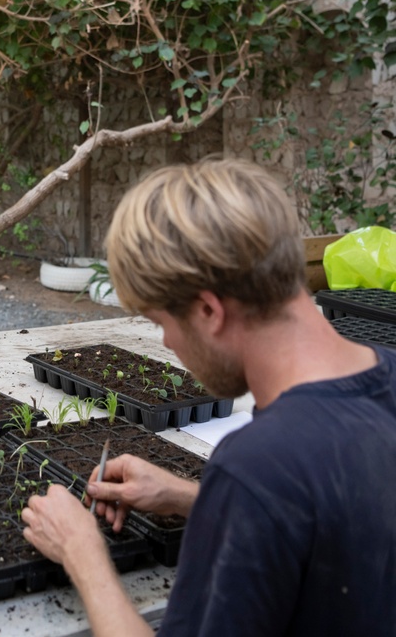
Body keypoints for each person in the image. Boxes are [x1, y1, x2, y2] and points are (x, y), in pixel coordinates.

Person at [21, 158, 396, 636]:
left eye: (162, 324)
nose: (167, 344)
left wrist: (82, 554)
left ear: (207, 310)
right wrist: (192, 498)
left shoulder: (257, 467)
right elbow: (346, 520)